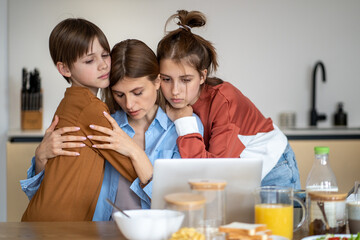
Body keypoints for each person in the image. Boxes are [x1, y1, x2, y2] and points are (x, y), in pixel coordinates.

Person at [20, 39, 203, 220]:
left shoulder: (183, 127)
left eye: (138, 92)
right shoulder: (99, 124)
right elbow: (52, 192)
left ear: (156, 81)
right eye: (119, 94)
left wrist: (133, 151)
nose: (129, 104)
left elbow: (180, 202)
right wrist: (41, 159)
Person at [156, 10, 300, 189]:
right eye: (166, 79)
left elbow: (212, 174)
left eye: (186, 80)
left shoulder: (224, 101)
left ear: (202, 76)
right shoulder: (161, 94)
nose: (175, 91)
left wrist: (184, 120)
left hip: (273, 168)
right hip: (238, 171)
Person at [21, 19, 147, 221]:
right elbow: (133, 170)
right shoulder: (91, 107)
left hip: (44, 215)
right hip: (58, 224)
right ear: (65, 69)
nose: (103, 64)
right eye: (90, 61)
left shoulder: (70, 101)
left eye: (105, 55)